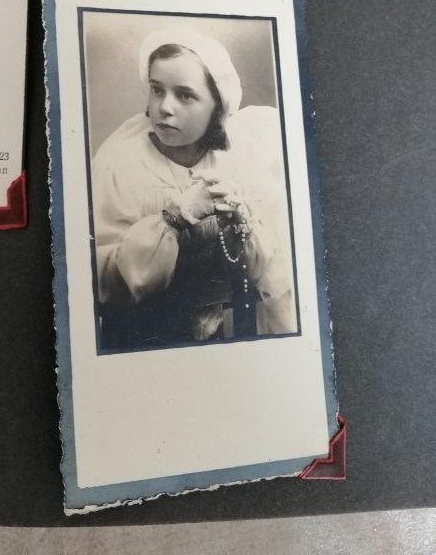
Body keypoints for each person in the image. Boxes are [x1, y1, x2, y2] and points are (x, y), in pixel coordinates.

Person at [91, 24, 298, 351]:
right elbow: (102, 278)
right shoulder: (121, 164)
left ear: (217, 107)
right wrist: (174, 218)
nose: (165, 107)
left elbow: (269, 273)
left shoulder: (237, 162)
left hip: (226, 336)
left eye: (185, 95)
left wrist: (241, 223)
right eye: (157, 90)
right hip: (141, 338)